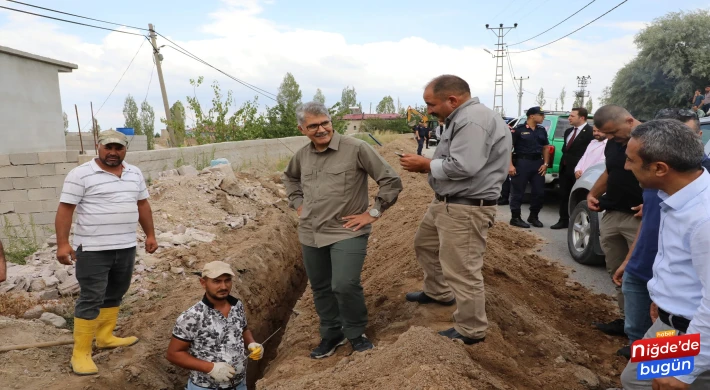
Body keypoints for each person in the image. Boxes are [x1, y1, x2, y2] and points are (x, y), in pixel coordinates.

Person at [283, 101, 402, 358]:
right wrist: (298, 203)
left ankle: (356, 332)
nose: (321, 129)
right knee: (321, 287)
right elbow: (290, 177)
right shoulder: (302, 155)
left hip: (347, 229)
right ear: (302, 129)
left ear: (331, 122)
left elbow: (391, 180)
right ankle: (332, 334)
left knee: (344, 284)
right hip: (311, 231)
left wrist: (373, 212)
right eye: (313, 126)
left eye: (325, 123)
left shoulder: (357, 148)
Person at [399, 74, 511, 345]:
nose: (428, 110)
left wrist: (425, 165)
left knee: (462, 270)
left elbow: (464, 166)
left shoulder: (472, 121)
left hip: (466, 208)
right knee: (424, 244)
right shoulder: (460, 118)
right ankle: (438, 292)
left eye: (431, 104)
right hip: (447, 202)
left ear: (452, 99)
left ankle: (471, 329)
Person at [55, 129, 158, 375]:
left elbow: (142, 204)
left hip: (125, 246)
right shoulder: (80, 174)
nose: (113, 153)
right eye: (108, 147)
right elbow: (65, 209)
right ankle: (80, 353)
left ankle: (105, 337)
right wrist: (62, 243)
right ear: (98, 147)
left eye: (118, 148)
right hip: (92, 249)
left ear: (125, 149)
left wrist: (150, 235)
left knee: (115, 293)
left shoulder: (134, 173)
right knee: (91, 297)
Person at [611, 108, 710, 360]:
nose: (625, 166)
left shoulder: (703, 218)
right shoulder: (674, 196)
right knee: (637, 379)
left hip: (689, 335)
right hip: (670, 324)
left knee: (647, 381)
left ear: (659, 168)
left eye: (631, 160)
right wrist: (664, 298)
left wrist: (688, 371)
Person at [587, 105, 644, 338]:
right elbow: (611, 171)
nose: (608, 138)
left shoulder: (653, 140)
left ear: (629, 121)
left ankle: (646, 336)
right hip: (613, 214)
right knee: (617, 271)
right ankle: (628, 323)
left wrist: (652, 203)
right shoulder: (615, 142)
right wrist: (593, 193)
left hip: (640, 219)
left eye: (612, 133)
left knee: (639, 276)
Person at [167, 261, 263, 390]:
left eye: (227, 280)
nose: (223, 286)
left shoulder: (237, 305)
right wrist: (210, 368)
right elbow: (173, 353)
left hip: (239, 384)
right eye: (217, 281)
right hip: (206, 387)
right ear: (203, 283)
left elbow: (243, 329)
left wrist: (251, 343)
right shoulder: (192, 317)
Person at [551, 107, 594, 229]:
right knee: (564, 195)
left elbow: (590, 154)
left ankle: (579, 222)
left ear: (582, 118)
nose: (569, 118)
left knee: (579, 197)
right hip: (565, 169)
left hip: (579, 171)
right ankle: (563, 220)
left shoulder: (590, 133)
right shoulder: (568, 131)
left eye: (572, 116)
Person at [509, 106, 551, 228]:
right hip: (522, 163)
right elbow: (509, 149)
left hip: (538, 164)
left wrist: (545, 164)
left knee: (539, 192)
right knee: (518, 192)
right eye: (541, 115)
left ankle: (534, 216)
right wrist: (510, 165)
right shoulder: (518, 130)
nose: (543, 117)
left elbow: (545, 148)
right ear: (532, 116)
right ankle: (515, 217)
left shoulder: (541, 130)